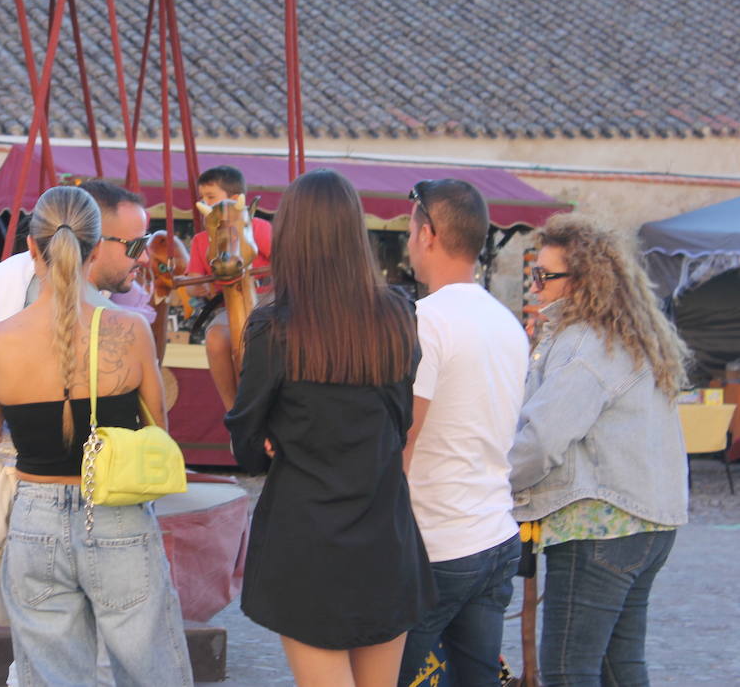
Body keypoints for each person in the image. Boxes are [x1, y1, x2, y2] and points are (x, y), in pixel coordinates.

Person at [0, 184, 193, 687]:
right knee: (151, 670)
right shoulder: (130, 330)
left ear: (32, 248)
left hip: (34, 519)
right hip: (115, 512)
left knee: (51, 675)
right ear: (96, 251)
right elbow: (160, 431)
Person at [225, 169, 431, 687]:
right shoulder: (398, 315)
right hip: (384, 532)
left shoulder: (275, 328)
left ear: (292, 235)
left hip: (307, 541)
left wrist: (276, 440)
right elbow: (398, 420)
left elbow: (246, 446)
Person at [509, 214, 688, 687]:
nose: (536, 286)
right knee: (619, 666)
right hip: (647, 521)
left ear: (583, 280)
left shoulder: (585, 343)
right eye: (534, 271)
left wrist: (492, 484)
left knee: (569, 669)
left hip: (598, 524)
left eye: (546, 276)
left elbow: (543, 438)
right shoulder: (627, 336)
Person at [397, 178, 526, 686]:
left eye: (410, 230)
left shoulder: (426, 321)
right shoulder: (505, 321)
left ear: (427, 233)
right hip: (493, 532)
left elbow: (403, 437)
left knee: (379, 675)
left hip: (437, 541)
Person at [0, 179, 154, 424]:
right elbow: (155, 425)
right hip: (102, 459)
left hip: (20, 457)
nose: (144, 257)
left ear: (32, 246)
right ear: (97, 243)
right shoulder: (132, 326)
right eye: (135, 245)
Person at [186, 165, 273, 410]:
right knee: (215, 338)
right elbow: (193, 280)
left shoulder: (258, 228)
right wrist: (200, 286)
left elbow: (284, 262)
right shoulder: (201, 240)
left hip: (268, 298)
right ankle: (231, 406)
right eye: (202, 198)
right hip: (228, 302)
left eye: (211, 197)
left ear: (235, 200)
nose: (204, 202)